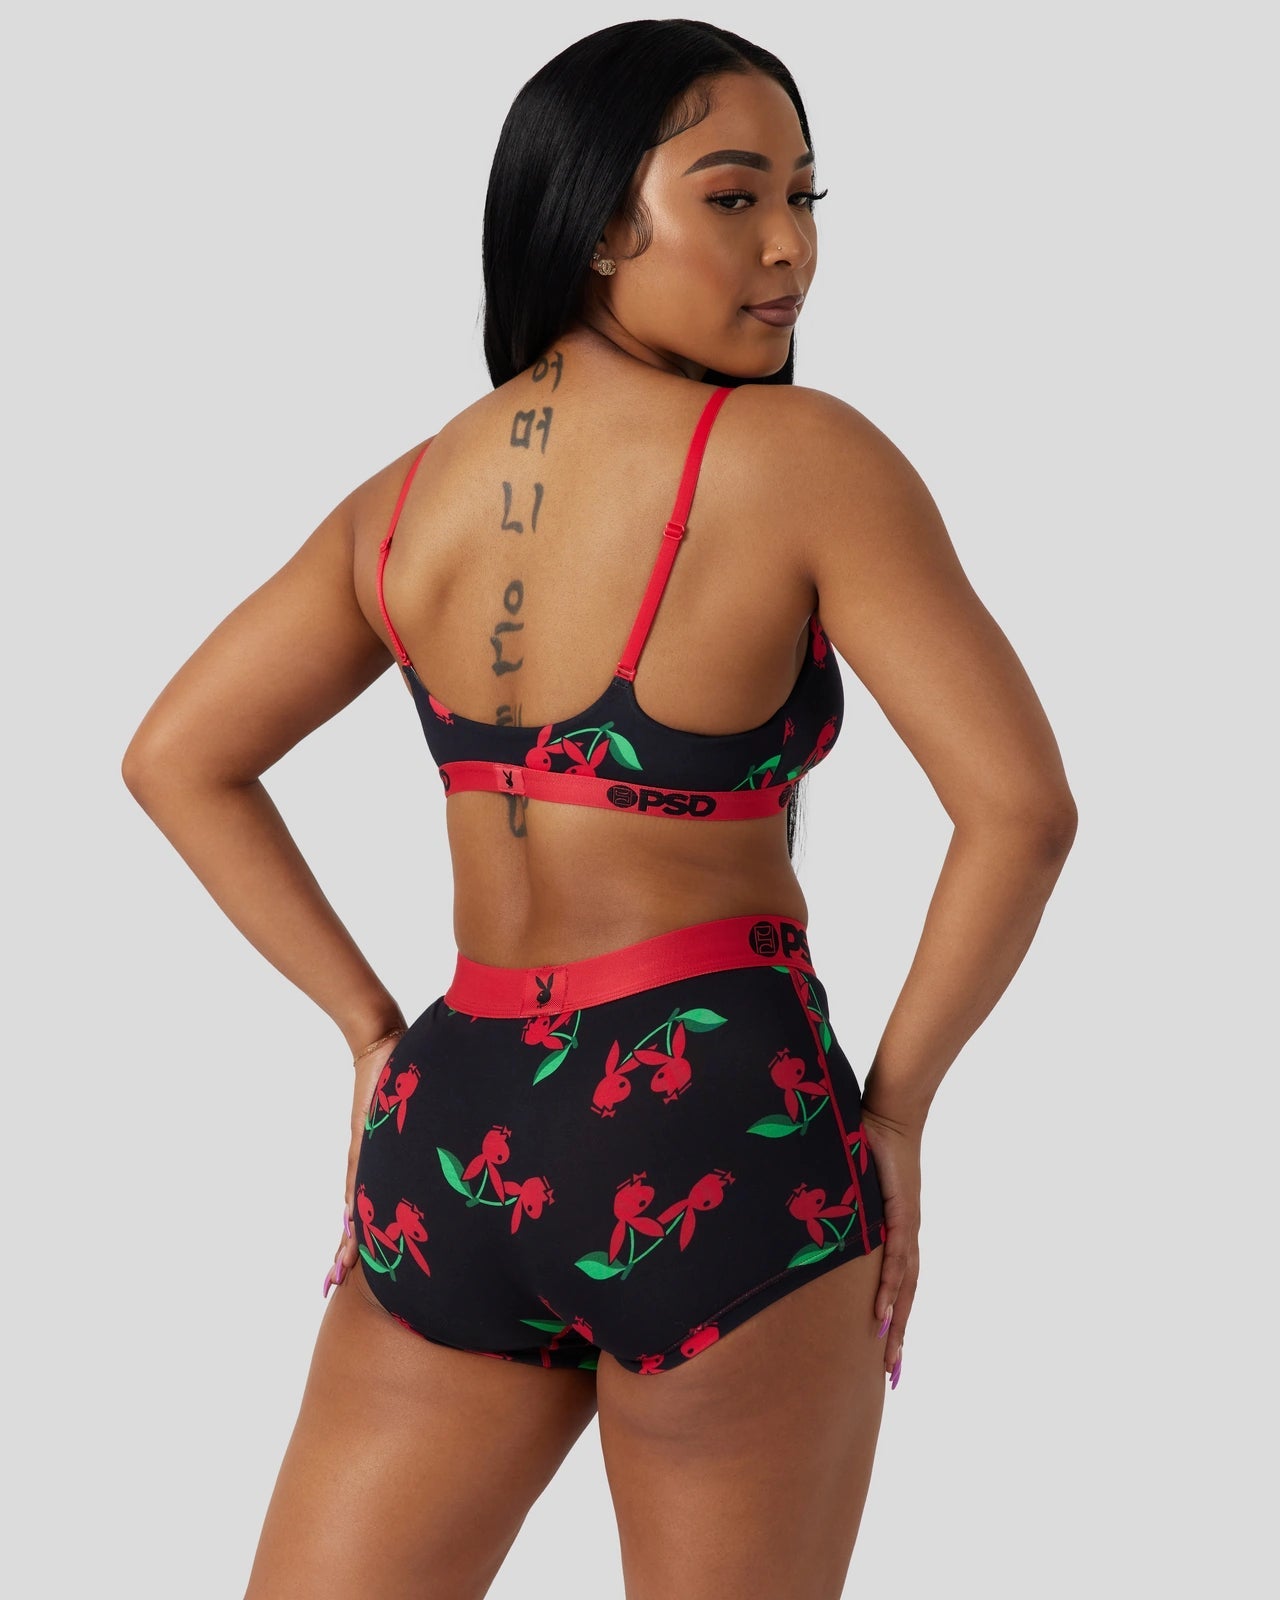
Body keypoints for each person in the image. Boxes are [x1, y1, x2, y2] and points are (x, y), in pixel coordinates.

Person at [122, 19, 1076, 1598]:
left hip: (451, 1131)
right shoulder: (805, 459)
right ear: (593, 223)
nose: (790, 248)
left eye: (808, 198)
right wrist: (897, 1113)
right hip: (721, 1126)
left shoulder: (408, 494)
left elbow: (178, 756)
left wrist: (369, 1034)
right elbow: (1021, 809)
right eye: (733, 198)